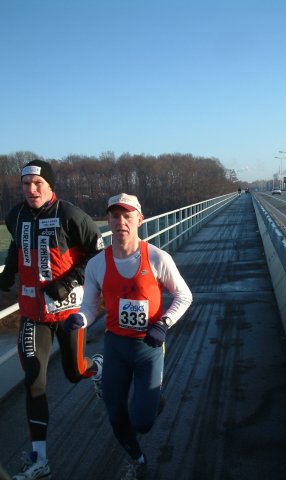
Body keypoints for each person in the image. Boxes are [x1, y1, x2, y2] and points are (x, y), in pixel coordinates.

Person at [64, 193, 192, 480]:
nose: (121, 222)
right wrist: (81, 318)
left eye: (127, 216)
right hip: (116, 347)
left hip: (148, 346)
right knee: (115, 414)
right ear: (107, 220)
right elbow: (89, 305)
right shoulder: (98, 264)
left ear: (139, 220)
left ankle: (152, 400)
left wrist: (164, 324)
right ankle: (137, 456)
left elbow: (184, 295)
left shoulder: (158, 258)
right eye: (115, 216)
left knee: (143, 422)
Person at [0, 160, 104, 480]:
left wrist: (69, 282)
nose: (31, 190)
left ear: (50, 186)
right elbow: (17, 245)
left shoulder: (70, 215)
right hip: (32, 314)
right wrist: (7, 274)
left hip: (69, 311)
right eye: (25, 184)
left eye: (37, 184)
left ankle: (97, 367)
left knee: (74, 373)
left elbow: (97, 254)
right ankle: (40, 460)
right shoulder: (15, 215)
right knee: (35, 380)